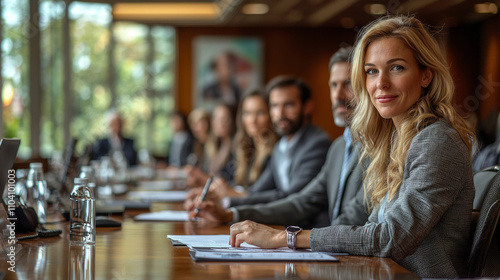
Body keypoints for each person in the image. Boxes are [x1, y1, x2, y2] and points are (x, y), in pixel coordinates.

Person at [227, 16, 476, 279]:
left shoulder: (436, 139)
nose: (381, 83)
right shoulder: (391, 141)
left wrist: (286, 237)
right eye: (371, 71)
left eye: (397, 68)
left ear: (426, 75)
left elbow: (391, 238)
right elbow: (370, 227)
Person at [187, 47, 369, 228]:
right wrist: (229, 210)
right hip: (314, 241)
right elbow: (296, 201)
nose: (338, 95)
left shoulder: (321, 143)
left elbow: (294, 198)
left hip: (319, 239)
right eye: (334, 85)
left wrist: (286, 238)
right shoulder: (338, 146)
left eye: (348, 84)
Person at [187, 76, 331, 209]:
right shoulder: (281, 145)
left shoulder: (313, 143)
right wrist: (217, 194)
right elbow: (253, 191)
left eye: (288, 105)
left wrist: (227, 199)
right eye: (275, 106)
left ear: (307, 107)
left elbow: (288, 197)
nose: (280, 114)